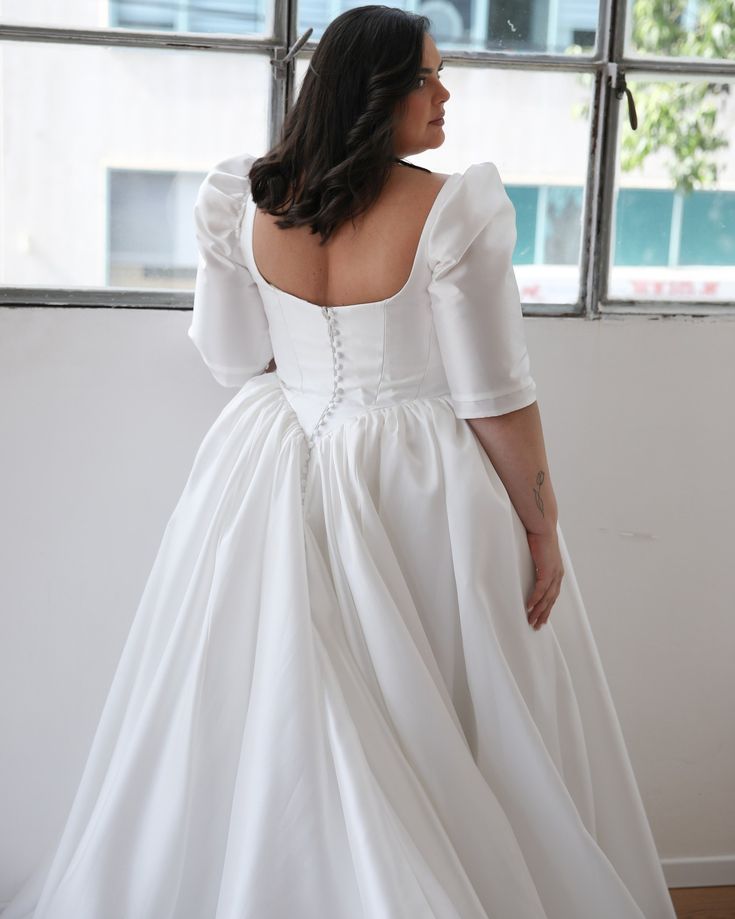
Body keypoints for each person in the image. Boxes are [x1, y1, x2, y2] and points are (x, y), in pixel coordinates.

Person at [1, 5, 677, 918]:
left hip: (271, 463)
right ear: (374, 95)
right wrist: (541, 522)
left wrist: (313, 362)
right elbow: (493, 396)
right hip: (414, 479)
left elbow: (234, 359)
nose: (446, 93)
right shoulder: (451, 208)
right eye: (426, 78)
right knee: (438, 702)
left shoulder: (249, 198)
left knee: (265, 697)